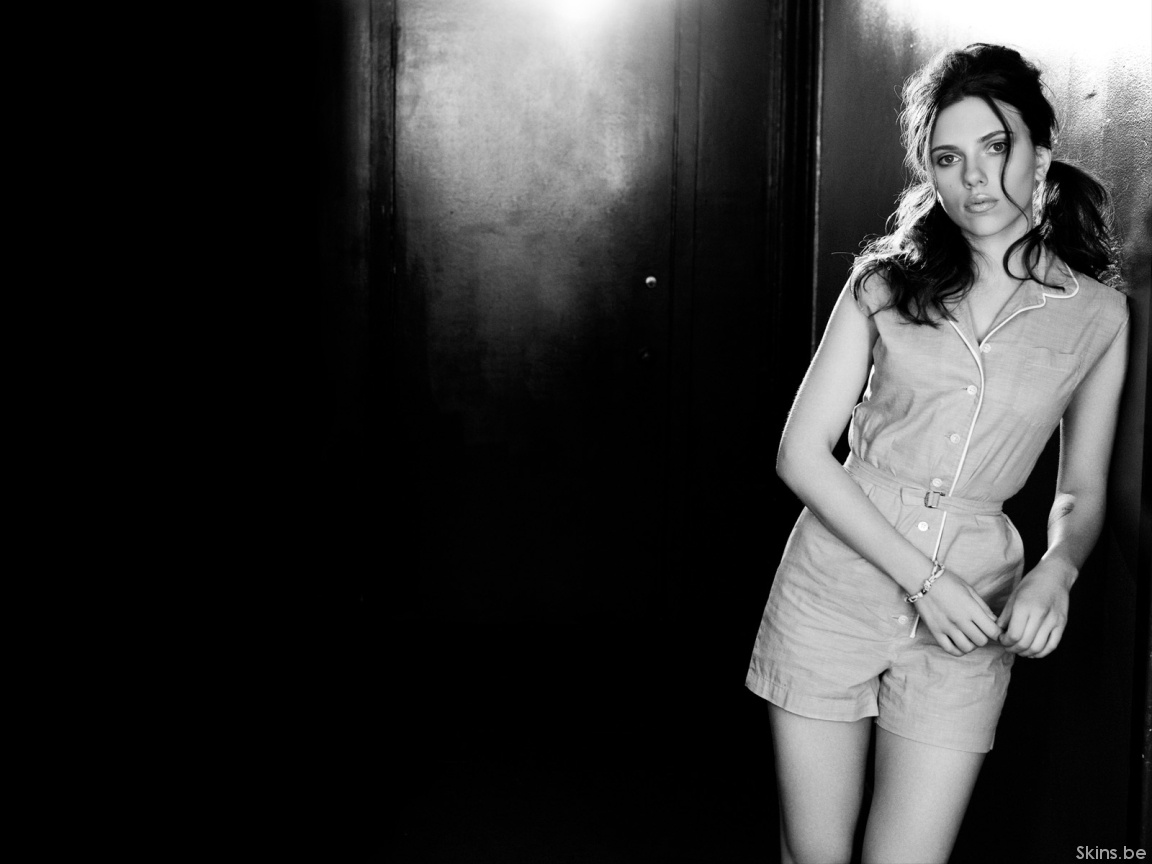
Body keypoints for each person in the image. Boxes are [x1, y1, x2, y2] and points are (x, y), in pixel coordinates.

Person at [744, 43, 1129, 864]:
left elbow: (1082, 488)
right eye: (948, 158)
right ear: (930, 171)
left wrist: (1058, 569)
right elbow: (801, 454)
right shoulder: (884, 282)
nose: (974, 178)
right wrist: (925, 580)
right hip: (832, 587)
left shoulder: (1099, 316)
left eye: (996, 147)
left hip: (974, 613)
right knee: (814, 854)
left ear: (1041, 155)